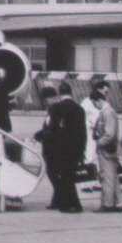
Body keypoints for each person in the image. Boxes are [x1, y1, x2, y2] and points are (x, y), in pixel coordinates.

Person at [35, 85, 86, 213]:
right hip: (74, 148)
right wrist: (82, 149)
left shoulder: (57, 108)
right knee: (68, 176)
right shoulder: (80, 109)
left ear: (59, 93)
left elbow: (53, 129)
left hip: (59, 148)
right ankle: (61, 201)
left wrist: (39, 136)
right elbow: (82, 132)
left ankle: (73, 204)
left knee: (62, 177)